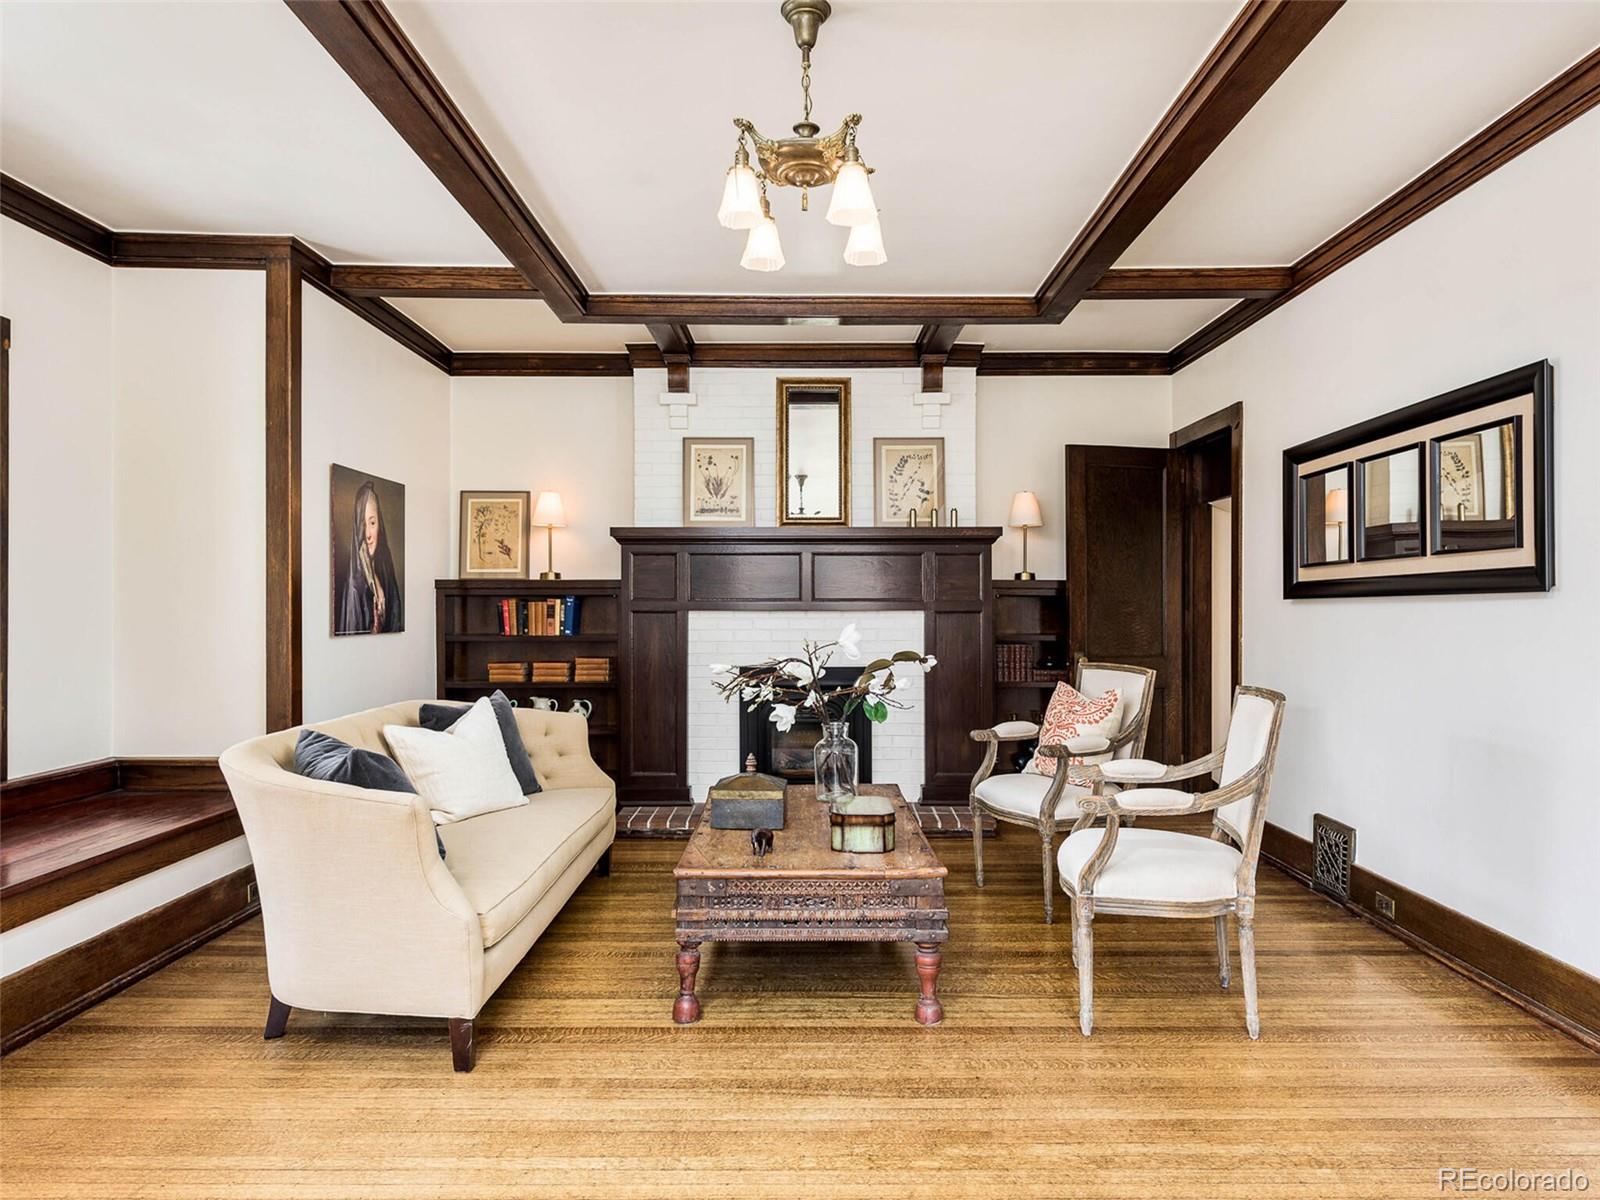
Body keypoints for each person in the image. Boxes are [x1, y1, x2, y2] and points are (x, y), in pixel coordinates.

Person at [338, 480, 403, 634]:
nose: (368, 535)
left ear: (380, 524)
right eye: (363, 525)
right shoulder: (354, 586)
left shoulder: (385, 574)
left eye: (372, 523)